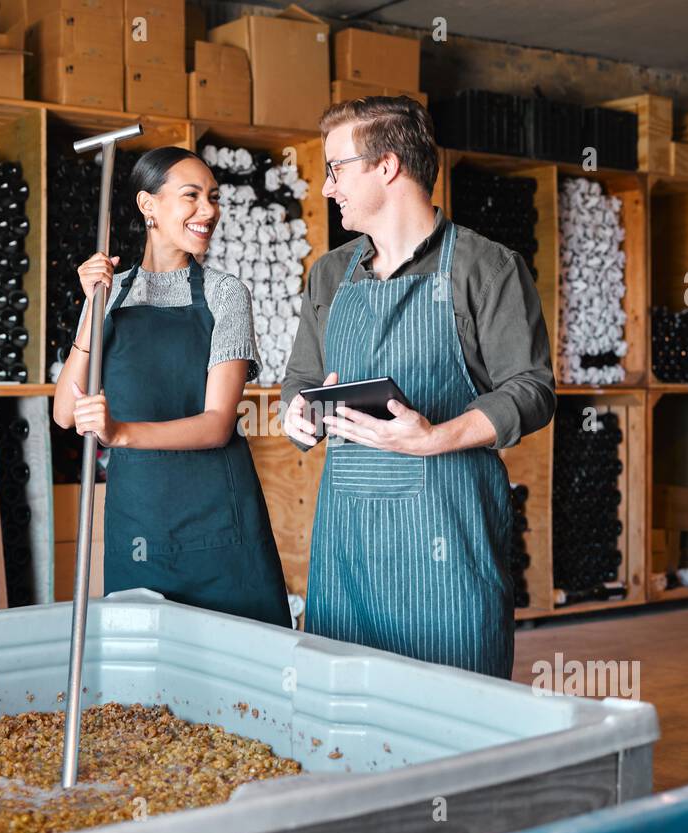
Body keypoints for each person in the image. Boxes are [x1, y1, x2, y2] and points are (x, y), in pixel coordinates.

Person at [281, 97, 556, 677]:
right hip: (347, 547)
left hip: (448, 544)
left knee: (455, 710)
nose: (328, 187)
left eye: (336, 168)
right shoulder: (330, 274)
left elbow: (532, 388)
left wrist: (435, 437)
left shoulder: (487, 267)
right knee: (342, 710)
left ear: (386, 166)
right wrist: (296, 414)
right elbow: (302, 379)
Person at [53, 146, 290, 628]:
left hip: (220, 521)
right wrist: (90, 312)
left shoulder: (226, 293)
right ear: (148, 206)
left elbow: (217, 425)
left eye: (214, 197)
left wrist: (121, 434)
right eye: (192, 196)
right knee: (142, 687)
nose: (209, 211)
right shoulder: (108, 292)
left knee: (243, 673)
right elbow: (63, 412)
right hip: (138, 520)